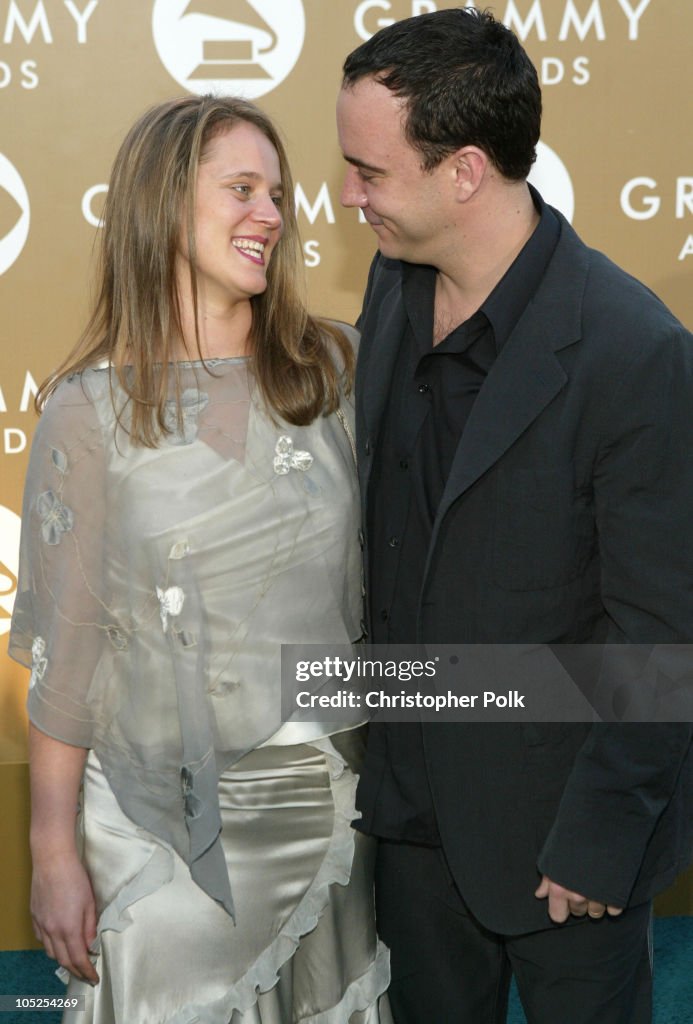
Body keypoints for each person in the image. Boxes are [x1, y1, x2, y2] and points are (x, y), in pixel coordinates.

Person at [336, 8, 693, 1024]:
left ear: (464, 172)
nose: (349, 194)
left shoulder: (635, 352)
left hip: (559, 842)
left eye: (370, 171)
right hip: (408, 817)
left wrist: (598, 837)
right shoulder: (395, 282)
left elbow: (661, 634)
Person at [10, 95, 391, 1024]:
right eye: (240, 189)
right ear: (163, 206)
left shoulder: (339, 370)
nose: (269, 213)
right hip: (150, 821)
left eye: (276, 193)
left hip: (324, 803)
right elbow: (68, 659)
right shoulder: (87, 411)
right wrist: (51, 852)